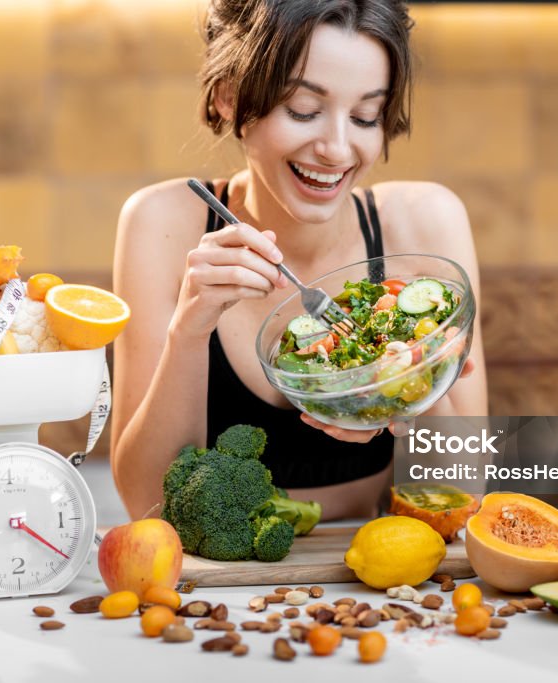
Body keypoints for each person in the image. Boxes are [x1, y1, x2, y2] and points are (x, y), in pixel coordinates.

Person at [111, 0, 487, 521]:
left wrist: (422, 389)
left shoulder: (425, 222)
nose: (336, 149)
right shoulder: (165, 224)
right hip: (224, 586)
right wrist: (190, 332)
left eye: (365, 116)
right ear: (228, 97)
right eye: (303, 110)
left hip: (378, 575)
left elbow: (467, 492)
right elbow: (146, 504)